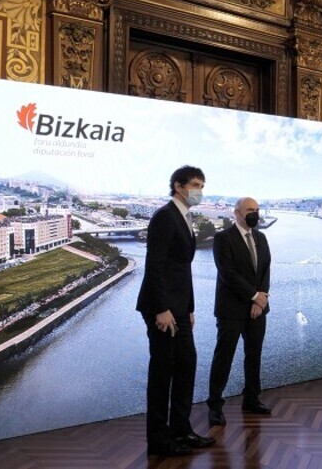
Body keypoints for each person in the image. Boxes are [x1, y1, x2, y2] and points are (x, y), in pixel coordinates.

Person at [136, 165, 215, 457]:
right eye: (195, 184)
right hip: (162, 308)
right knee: (163, 373)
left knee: (186, 365)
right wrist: (161, 309)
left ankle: (181, 430)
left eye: (202, 185)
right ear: (178, 186)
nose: (200, 191)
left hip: (179, 308)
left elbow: (182, 269)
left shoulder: (185, 216)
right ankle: (158, 441)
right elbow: (154, 266)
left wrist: (189, 308)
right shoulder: (165, 217)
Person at [206, 196, 272, 426]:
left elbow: (265, 270)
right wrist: (254, 296)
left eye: (257, 209)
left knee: (254, 356)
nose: (254, 213)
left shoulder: (261, 238)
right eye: (249, 210)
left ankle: (251, 399)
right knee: (224, 357)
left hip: (257, 309)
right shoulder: (223, 239)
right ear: (236, 213)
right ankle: (215, 405)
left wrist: (260, 299)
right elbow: (228, 273)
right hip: (231, 310)